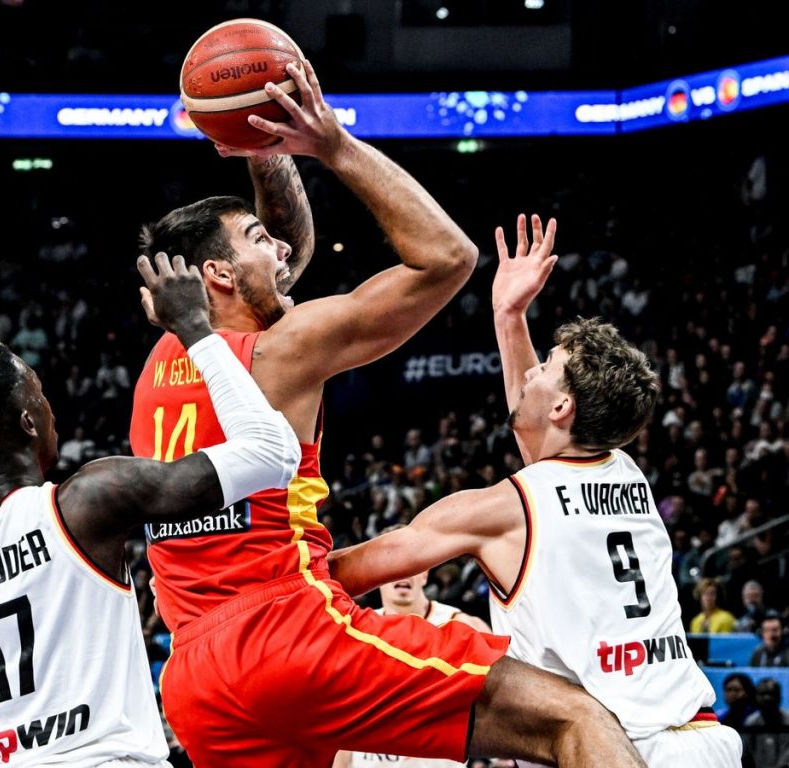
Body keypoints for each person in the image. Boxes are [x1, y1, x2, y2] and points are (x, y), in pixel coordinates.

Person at [132, 62, 644, 768]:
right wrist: (331, 143)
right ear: (217, 275)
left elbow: (284, 261)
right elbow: (447, 259)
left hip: (195, 678)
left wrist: (267, 151)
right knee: (569, 718)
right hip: (286, 635)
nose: (282, 249)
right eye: (256, 238)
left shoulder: (161, 362)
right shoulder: (282, 351)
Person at [328, 215, 742, 766]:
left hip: (614, 749)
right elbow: (543, 446)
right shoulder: (621, 467)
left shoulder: (500, 510)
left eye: (547, 365)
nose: (531, 373)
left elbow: (344, 572)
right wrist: (508, 315)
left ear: (564, 406)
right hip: (701, 737)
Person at [0, 254, 301, 767]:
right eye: (40, 396)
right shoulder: (87, 502)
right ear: (28, 422)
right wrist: (194, 327)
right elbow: (272, 452)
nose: (50, 408)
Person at [333, 536, 490, 768]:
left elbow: (497, 706)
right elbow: (341, 724)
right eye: (391, 564)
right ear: (376, 575)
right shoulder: (352, 633)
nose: (401, 572)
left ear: (424, 574)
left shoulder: (463, 626)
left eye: (408, 564)